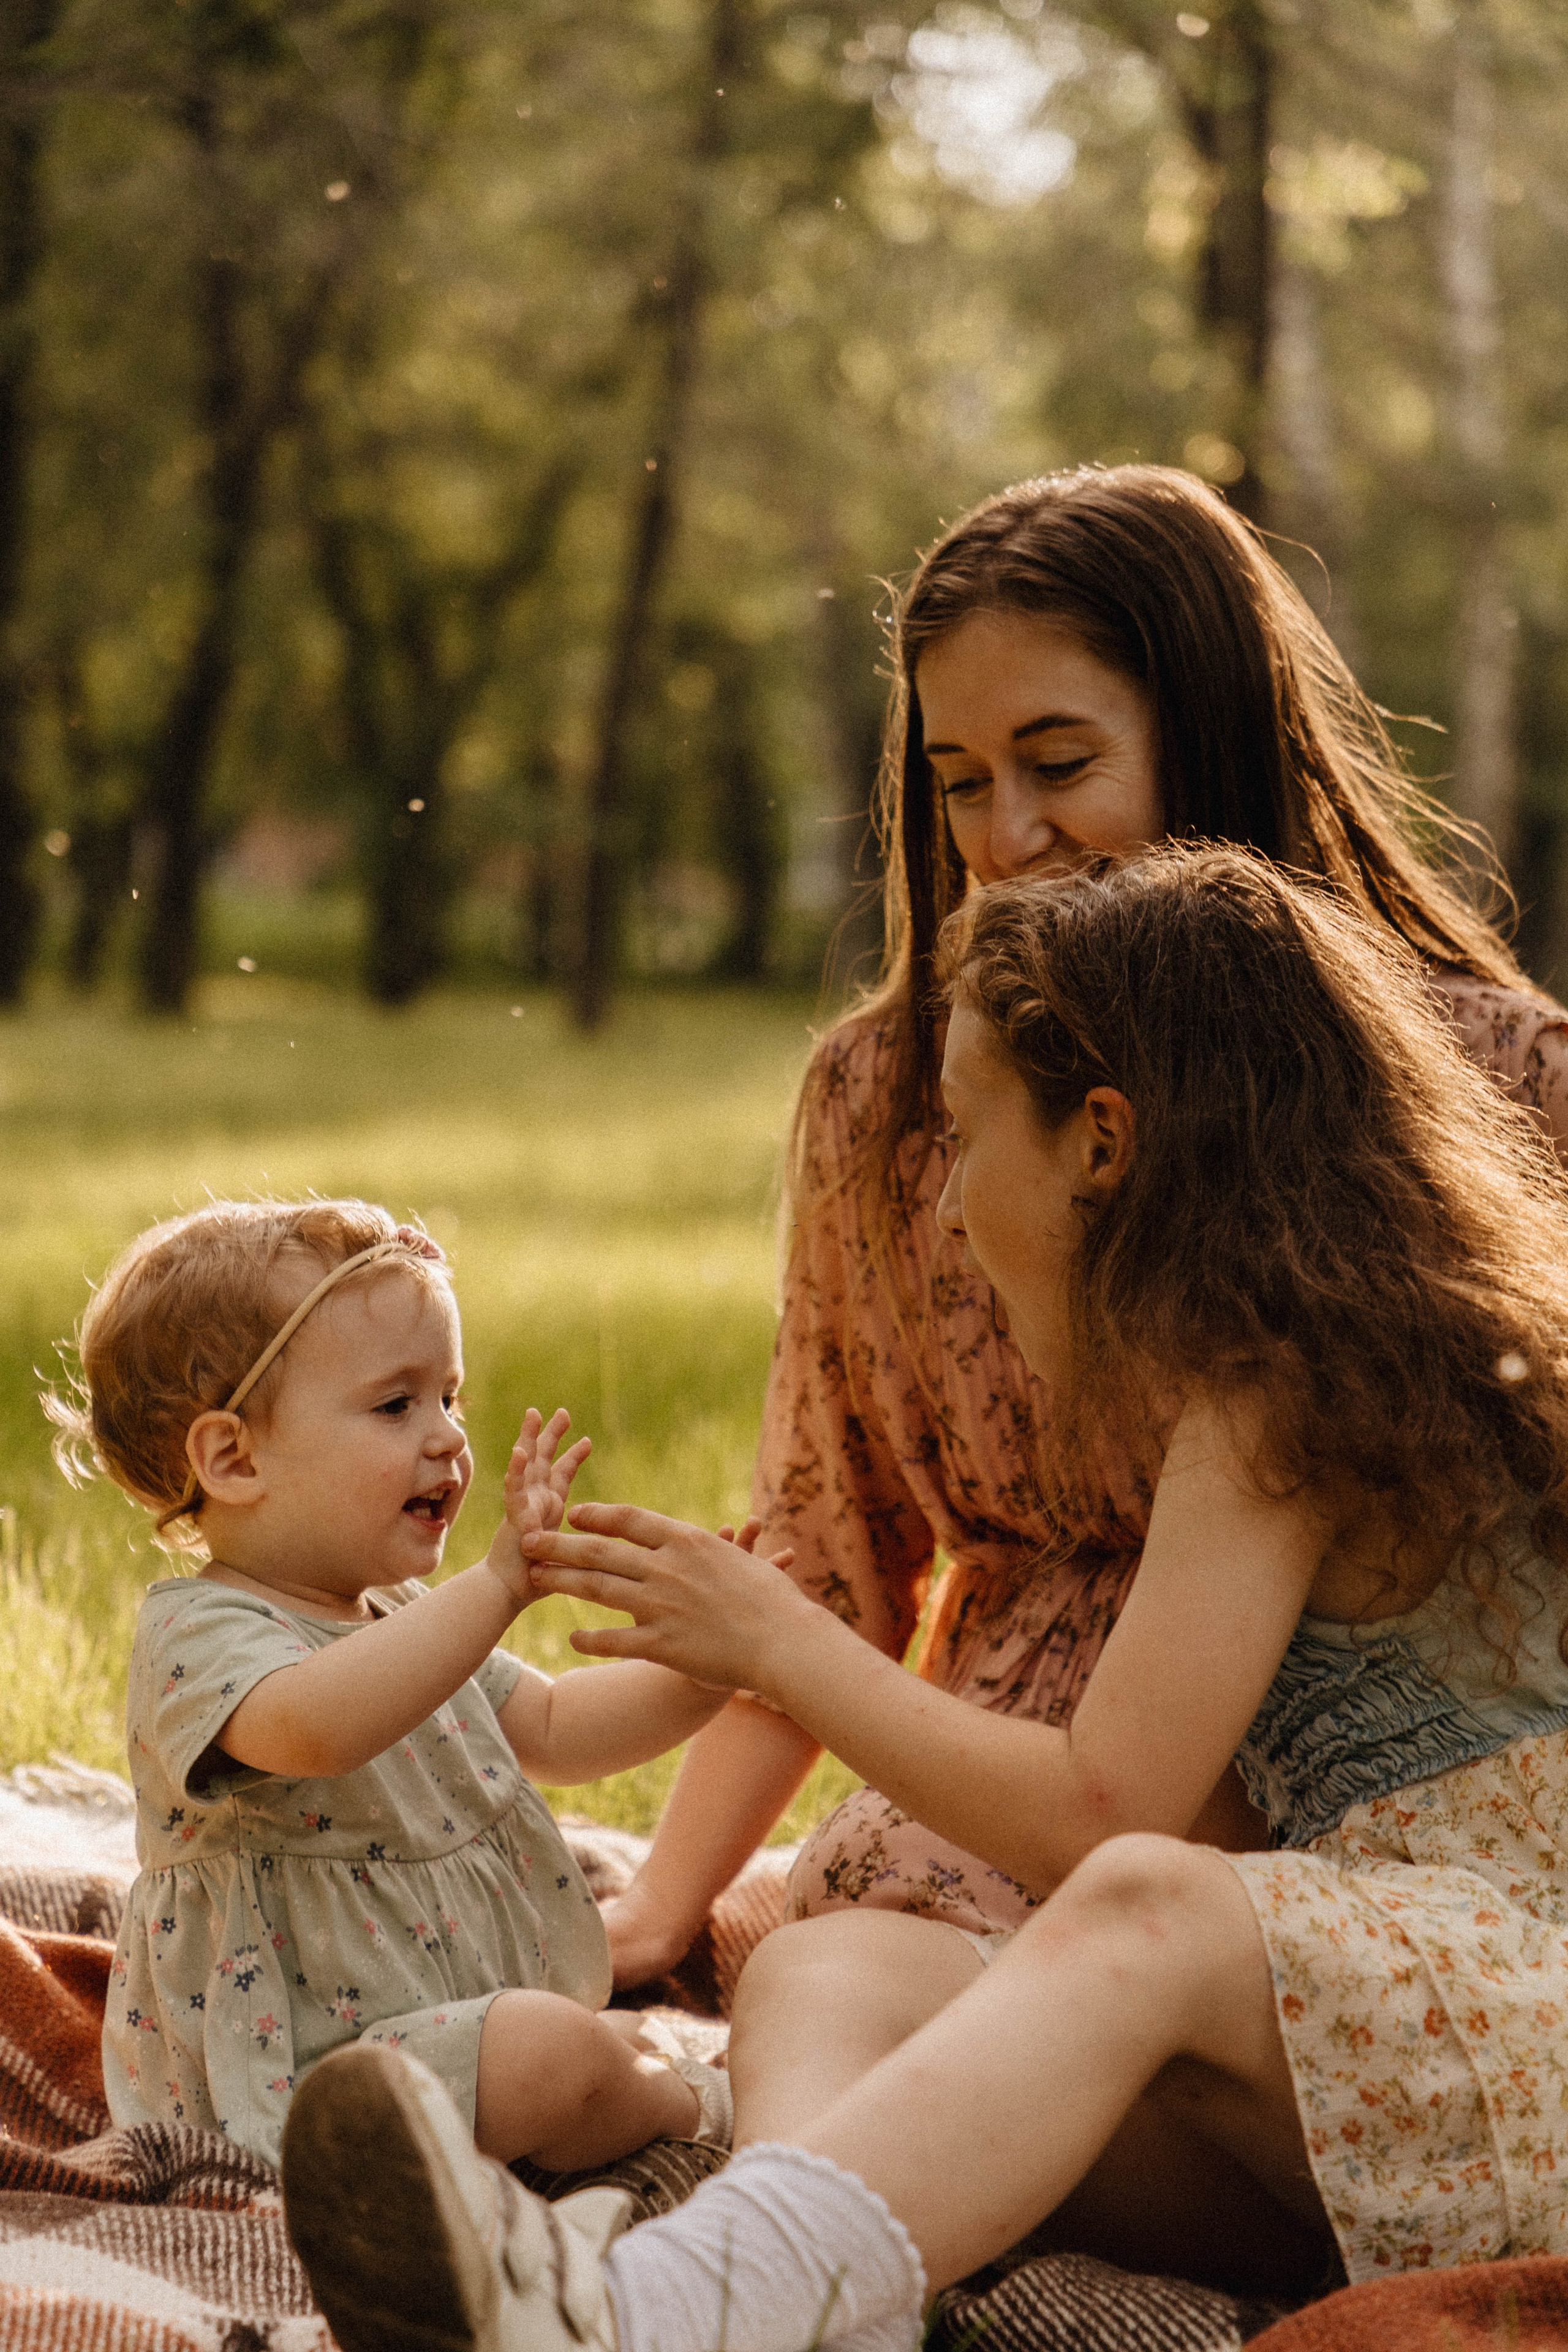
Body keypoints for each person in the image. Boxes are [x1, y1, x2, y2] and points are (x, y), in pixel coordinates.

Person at [284, 845, 1568, 2352]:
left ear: (1102, 1141)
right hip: (1411, 2094)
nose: (948, 1205)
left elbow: (1112, 1816)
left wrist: (779, 1641)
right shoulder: (1255, 1398)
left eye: (964, 1137)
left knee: (1139, 1904)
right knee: (830, 1960)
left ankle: (652, 2315)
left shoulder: (1277, 1397)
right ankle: (778, 2305)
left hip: (1521, 2034)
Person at [605, 463, 1568, 1986]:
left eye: (1061, 762)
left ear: (1209, 737)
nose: (1010, 835)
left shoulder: (1490, 1077)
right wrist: (664, 1903)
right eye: (961, 780)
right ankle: (760, 2203)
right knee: (854, 1928)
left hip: (1389, 1812)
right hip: (995, 1775)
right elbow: (826, 1558)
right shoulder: (891, 1097)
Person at [51, 1199, 743, 2171]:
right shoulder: (197, 1634)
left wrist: (714, 1668)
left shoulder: (398, 1618)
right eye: (396, 1405)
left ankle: (607, 2084)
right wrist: (497, 1587)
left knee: (550, 2043)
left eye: (451, 1398)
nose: (449, 1439)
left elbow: (554, 1725)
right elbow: (315, 1729)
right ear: (234, 1457)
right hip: (296, 2079)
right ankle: (683, 2106)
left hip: (427, 2029)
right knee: (546, 2052)